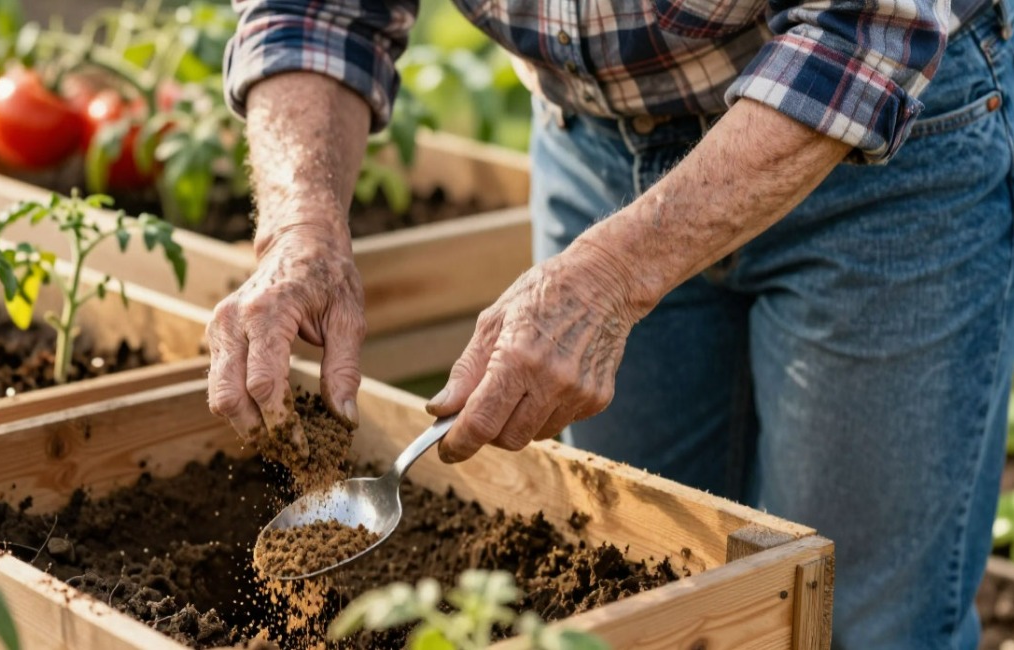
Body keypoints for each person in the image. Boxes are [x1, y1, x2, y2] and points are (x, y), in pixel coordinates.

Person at [203, 0, 1014, 642]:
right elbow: (314, 9)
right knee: (640, 594)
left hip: (879, 148)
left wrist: (612, 274)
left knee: (857, 621)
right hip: (593, 142)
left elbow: (867, 25)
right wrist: (300, 226)